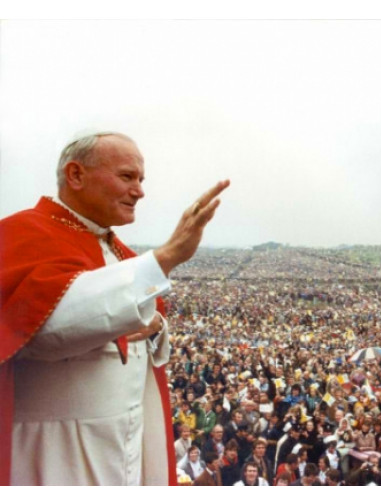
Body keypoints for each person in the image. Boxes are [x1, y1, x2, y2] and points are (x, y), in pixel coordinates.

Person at [0, 131, 230, 485]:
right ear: (76, 175)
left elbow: (143, 320)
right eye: (127, 176)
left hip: (128, 442)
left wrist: (155, 327)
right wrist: (166, 257)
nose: (139, 191)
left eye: (140, 179)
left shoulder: (119, 249)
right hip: (56, 451)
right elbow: (42, 327)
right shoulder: (19, 234)